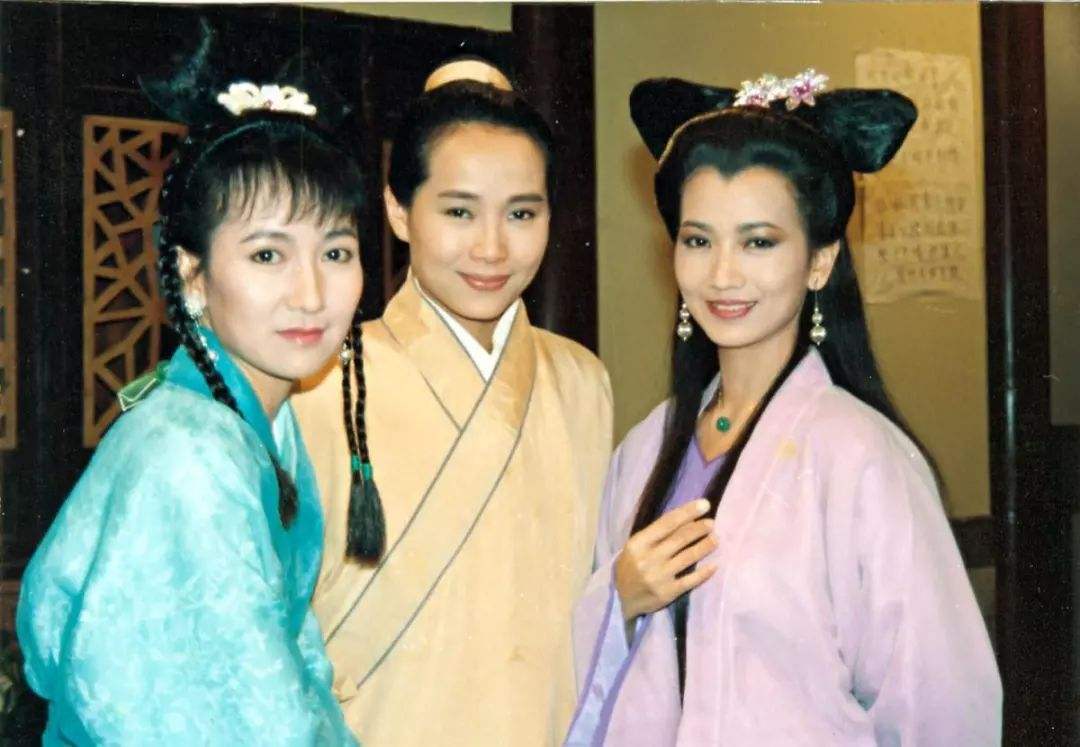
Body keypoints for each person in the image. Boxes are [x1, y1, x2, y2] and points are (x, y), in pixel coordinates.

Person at [566, 71, 1001, 745]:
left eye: (759, 241)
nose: (723, 275)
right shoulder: (645, 450)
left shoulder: (862, 457)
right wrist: (619, 595)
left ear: (820, 261)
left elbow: (939, 704)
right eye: (698, 240)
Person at [16, 31, 370, 745]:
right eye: (267, 254)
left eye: (335, 251)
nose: (311, 293)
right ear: (192, 275)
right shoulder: (187, 452)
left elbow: (289, 670)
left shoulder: (251, 422)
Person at [291, 60, 613, 745]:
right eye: (459, 211)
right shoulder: (319, 385)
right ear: (398, 210)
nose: (492, 248)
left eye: (521, 213)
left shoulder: (582, 381)